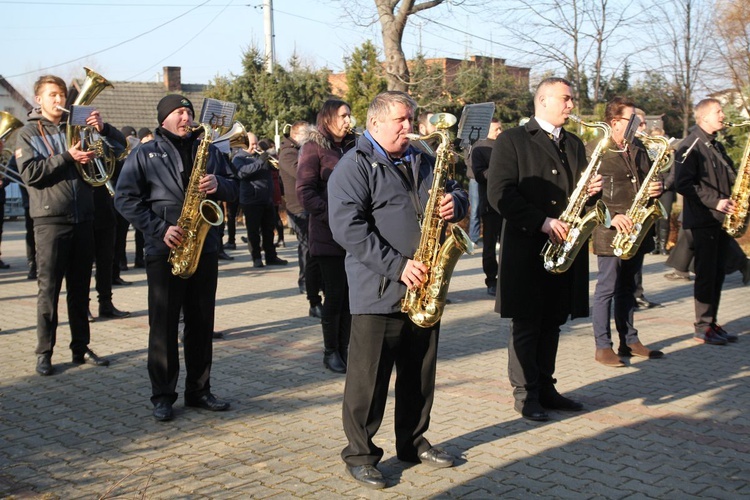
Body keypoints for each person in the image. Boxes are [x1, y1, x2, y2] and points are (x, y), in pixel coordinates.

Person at [329, 91, 469, 489]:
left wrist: (454, 204)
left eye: (411, 119)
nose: (410, 127)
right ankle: (360, 454)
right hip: (379, 287)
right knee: (368, 380)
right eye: (401, 121)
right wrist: (398, 266)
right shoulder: (353, 166)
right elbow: (348, 229)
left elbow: (457, 189)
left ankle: (413, 442)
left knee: (419, 374)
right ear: (375, 124)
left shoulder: (423, 157)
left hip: (425, 284)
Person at [115, 94, 238, 421]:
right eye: (179, 112)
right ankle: (163, 396)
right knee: (163, 325)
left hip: (204, 247)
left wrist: (220, 184)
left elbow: (237, 188)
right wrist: (158, 229)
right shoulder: (144, 152)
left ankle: (199, 390)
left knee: (201, 323)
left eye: (188, 111)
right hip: (164, 248)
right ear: (164, 118)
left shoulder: (209, 149)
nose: (186, 117)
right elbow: (125, 200)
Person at [486, 77, 603, 421]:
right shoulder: (513, 139)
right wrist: (541, 222)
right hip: (528, 246)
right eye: (565, 99)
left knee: (553, 319)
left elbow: (578, 194)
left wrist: (592, 192)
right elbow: (500, 194)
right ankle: (525, 394)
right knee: (527, 322)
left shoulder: (575, 143)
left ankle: (546, 387)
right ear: (543, 100)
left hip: (564, 247)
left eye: (571, 100)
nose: (570, 105)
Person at [16, 74, 119, 376]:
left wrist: (102, 130)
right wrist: (67, 156)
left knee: (79, 290)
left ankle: (80, 347)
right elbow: (31, 174)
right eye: (52, 95)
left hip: (83, 217)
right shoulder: (27, 133)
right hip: (50, 220)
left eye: (61, 94)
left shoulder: (79, 125)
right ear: (39, 100)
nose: (59, 100)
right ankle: (44, 352)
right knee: (48, 291)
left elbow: (118, 149)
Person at [589, 97, 664, 367]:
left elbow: (649, 179)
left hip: (636, 226)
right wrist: (612, 216)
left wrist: (658, 187)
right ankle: (602, 346)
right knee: (606, 288)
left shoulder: (638, 147)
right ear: (614, 122)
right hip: (610, 229)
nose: (637, 125)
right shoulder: (596, 149)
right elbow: (587, 194)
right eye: (631, 119)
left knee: (628, 287)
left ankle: (629, 340)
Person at [297, 99, 356, 374]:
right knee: (334, 295)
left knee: (351, 296)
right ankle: (331, 351)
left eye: (349, 115)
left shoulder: (354, 145)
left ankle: (346, 349)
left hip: (356, 234)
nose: (348, 120)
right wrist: (333, 215)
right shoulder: (313, 147)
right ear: (329, 117)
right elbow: (305, 192)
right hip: (328, 235)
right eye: (343, 115)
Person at [674, 98, 739, 345]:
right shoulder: (690, 146)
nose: (723, 115)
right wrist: (715, 201)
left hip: (720, 220)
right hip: (703, 220)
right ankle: (702, 327)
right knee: (705, 275)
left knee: (718, 273)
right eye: (718, 111)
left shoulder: (716, 146)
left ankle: (711, 322)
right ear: (703, 117)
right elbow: (683, 184)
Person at [277, 120, 324, 317]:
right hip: (298, 208)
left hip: (305, 206)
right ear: (298, 135)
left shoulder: (297, 150)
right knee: (307, 248)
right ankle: (305, 282)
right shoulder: (288, 153)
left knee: (309, 247)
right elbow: (303, 172)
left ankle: (311, 282)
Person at [233, 131, 287, 268]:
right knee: (253, 232)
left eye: (256, 143)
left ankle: (271, 256)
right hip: (251, 200)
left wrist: (272, 159)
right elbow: (242, 173)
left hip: (266, 199)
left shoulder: (259, 156)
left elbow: (275, 169)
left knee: (268, 230)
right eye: (252, 144)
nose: (255, 146)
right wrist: (260, 161)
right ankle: (256, 258)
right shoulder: (239, 158)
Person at [470, 118, 503, 296]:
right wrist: (500, 169)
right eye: (496, 129)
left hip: (508, 203)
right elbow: (479, 174)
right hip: (490, 204)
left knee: (507, 244)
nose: (499, 132)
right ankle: (491, 280)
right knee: (489, 245)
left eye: (500, 129)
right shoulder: (479, 148)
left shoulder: (505, 144)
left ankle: (506, 278)